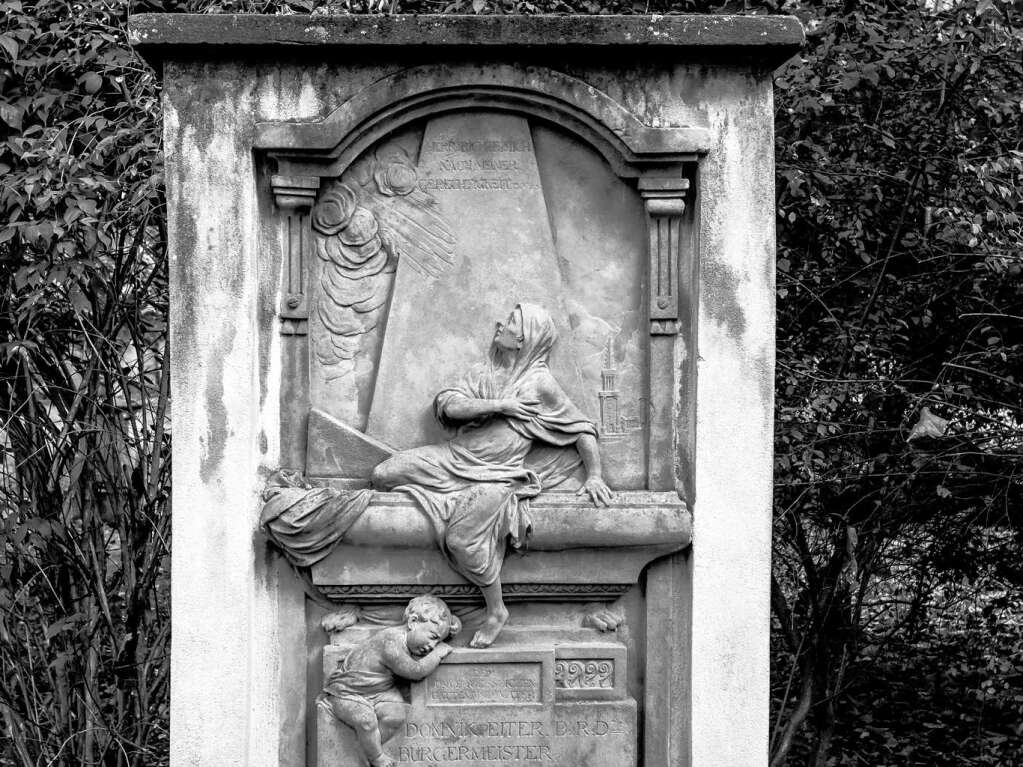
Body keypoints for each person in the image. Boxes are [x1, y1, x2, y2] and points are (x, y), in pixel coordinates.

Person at [372, 303, 613, 648]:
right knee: (383, 474)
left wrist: (595, 476)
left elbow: (582, 430)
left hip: (499, 477)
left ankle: (496, 610)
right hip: (453, 459)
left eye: (513, 320)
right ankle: (448, 499)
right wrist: (501, 406)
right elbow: (449, 406)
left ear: (524, 339)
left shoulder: (540, 384)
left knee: (461, 540)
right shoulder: (483, 373)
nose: (502, 322)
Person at [318, 596, 460, 767]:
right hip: (347, 693)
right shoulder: (390, 641)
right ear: (413, 622)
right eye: (432, 637)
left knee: (397, 714)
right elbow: (415, 671)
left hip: (379, 692)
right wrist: (438, 654)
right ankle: (377, 758)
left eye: (437, 642)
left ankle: (366, 747)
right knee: (366, 720)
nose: (432, 646)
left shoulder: (405, 642)